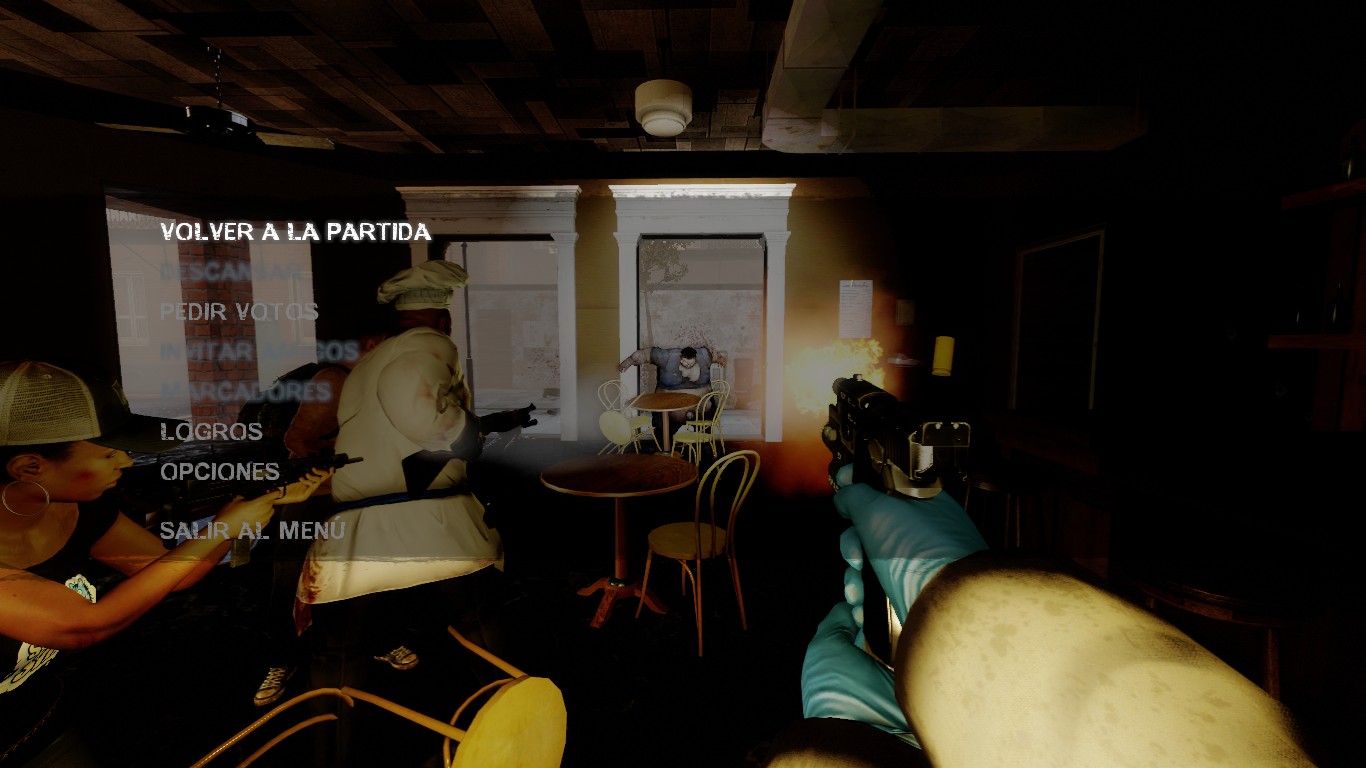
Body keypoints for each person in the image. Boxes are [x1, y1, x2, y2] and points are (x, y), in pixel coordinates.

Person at [0, 360, 330, 766]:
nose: (125, 462)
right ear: (29, 467)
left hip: (37, 719)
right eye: (109, 453)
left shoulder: (80, 510)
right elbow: (85, 627)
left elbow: (169, 572)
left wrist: (253, 509)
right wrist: (219, 530)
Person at [296, 260, 534, 764]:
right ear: (443, 319)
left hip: (357, 522)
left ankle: (328, 755)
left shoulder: (368, 364)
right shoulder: (428, 346)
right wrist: (467, 434)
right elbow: (425, 416)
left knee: (338, 652)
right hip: (427, 516)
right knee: (479, 627)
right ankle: (516, 735)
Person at [250, 328, 415, 709]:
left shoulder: (372, 382)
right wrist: (340, 456)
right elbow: (296, 440)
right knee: (288, 581)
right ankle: (282, 660)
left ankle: (381, 641)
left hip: (356, 495)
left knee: (374, 572)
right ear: (371, 343)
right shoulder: (333, 379)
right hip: (314, 498)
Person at [618, 340, 726, 444]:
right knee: (662, 432)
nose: (688, 366)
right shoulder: (665, 357)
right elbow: (643, 355)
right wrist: (629, 361)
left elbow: (719, 357)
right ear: (679, 357)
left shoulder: (705, 354)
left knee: (704, 436)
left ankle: (703, 449)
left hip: (701, 409)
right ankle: (666, 450)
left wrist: (722, 360)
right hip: (669, 411)